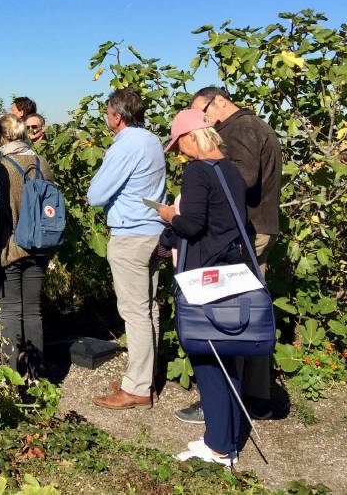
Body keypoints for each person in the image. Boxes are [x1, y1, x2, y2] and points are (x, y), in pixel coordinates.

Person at [175, 86, 283, 423]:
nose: (207, 122)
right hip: (255, 227)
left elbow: (241, 178)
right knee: (248, 309)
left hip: (246, 231)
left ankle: (225, 402)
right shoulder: (255, 125)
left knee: (230, 313)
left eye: (205, 112)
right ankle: (256, 397)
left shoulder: (241, 129)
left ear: (220, 100)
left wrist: (199, 190)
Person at [158, 108, 251, 467]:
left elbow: (192, 225)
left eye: (180, 143)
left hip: (202, 274)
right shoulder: (230, 168)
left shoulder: (197, 171)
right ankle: (225, 439)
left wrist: (169, 216)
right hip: (230, 270)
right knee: (225, 356)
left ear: (193, 136)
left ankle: (217, 448)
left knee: (206, 357)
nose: (180, 153)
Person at [87, 88, 167, 409]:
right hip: (153, 232)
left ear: (117, 117)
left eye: (107, 113)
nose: (107, 117)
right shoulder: (152, 141)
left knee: (134, 312)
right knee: (149, 308)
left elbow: (96, 193)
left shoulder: (125, 146)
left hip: (130, 236)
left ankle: (136, 388)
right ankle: (146, 376)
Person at [0, 113, 54, 376]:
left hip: (10, 245)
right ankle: (38, 373)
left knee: (10, 310)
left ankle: (11, 375)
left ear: (1, 137)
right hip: (39, 244)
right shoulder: (41, 162)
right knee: (33, 309)